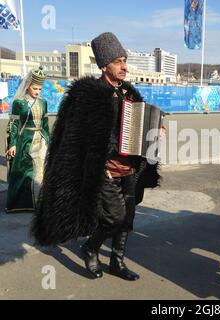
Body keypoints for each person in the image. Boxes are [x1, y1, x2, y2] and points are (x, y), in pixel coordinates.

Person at [31, 33, 163, 281]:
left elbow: (142, 128)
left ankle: (117, 261)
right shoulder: (88, 95)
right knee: (115, 217)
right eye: (118, 61)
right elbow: (75, 139)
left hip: (130, 170)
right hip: (105, 171)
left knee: (128, 220)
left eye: (125, 60)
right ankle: (91, 248)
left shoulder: (129, 94)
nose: (124, 66)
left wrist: (155, 130)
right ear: (104, 66)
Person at [5, 67, 50, 213]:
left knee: (42, 170)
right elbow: (14, 124)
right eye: (35, 88)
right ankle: (23, 202)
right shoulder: (19, 103)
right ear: (28, 86)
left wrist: (49, 140)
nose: (37, 91)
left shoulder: (43, 103)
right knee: (25, 172)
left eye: (40, 89)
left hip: (41, 140)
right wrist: (12, 144)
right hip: (25, 140)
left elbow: (44, 124)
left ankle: (41, 202)